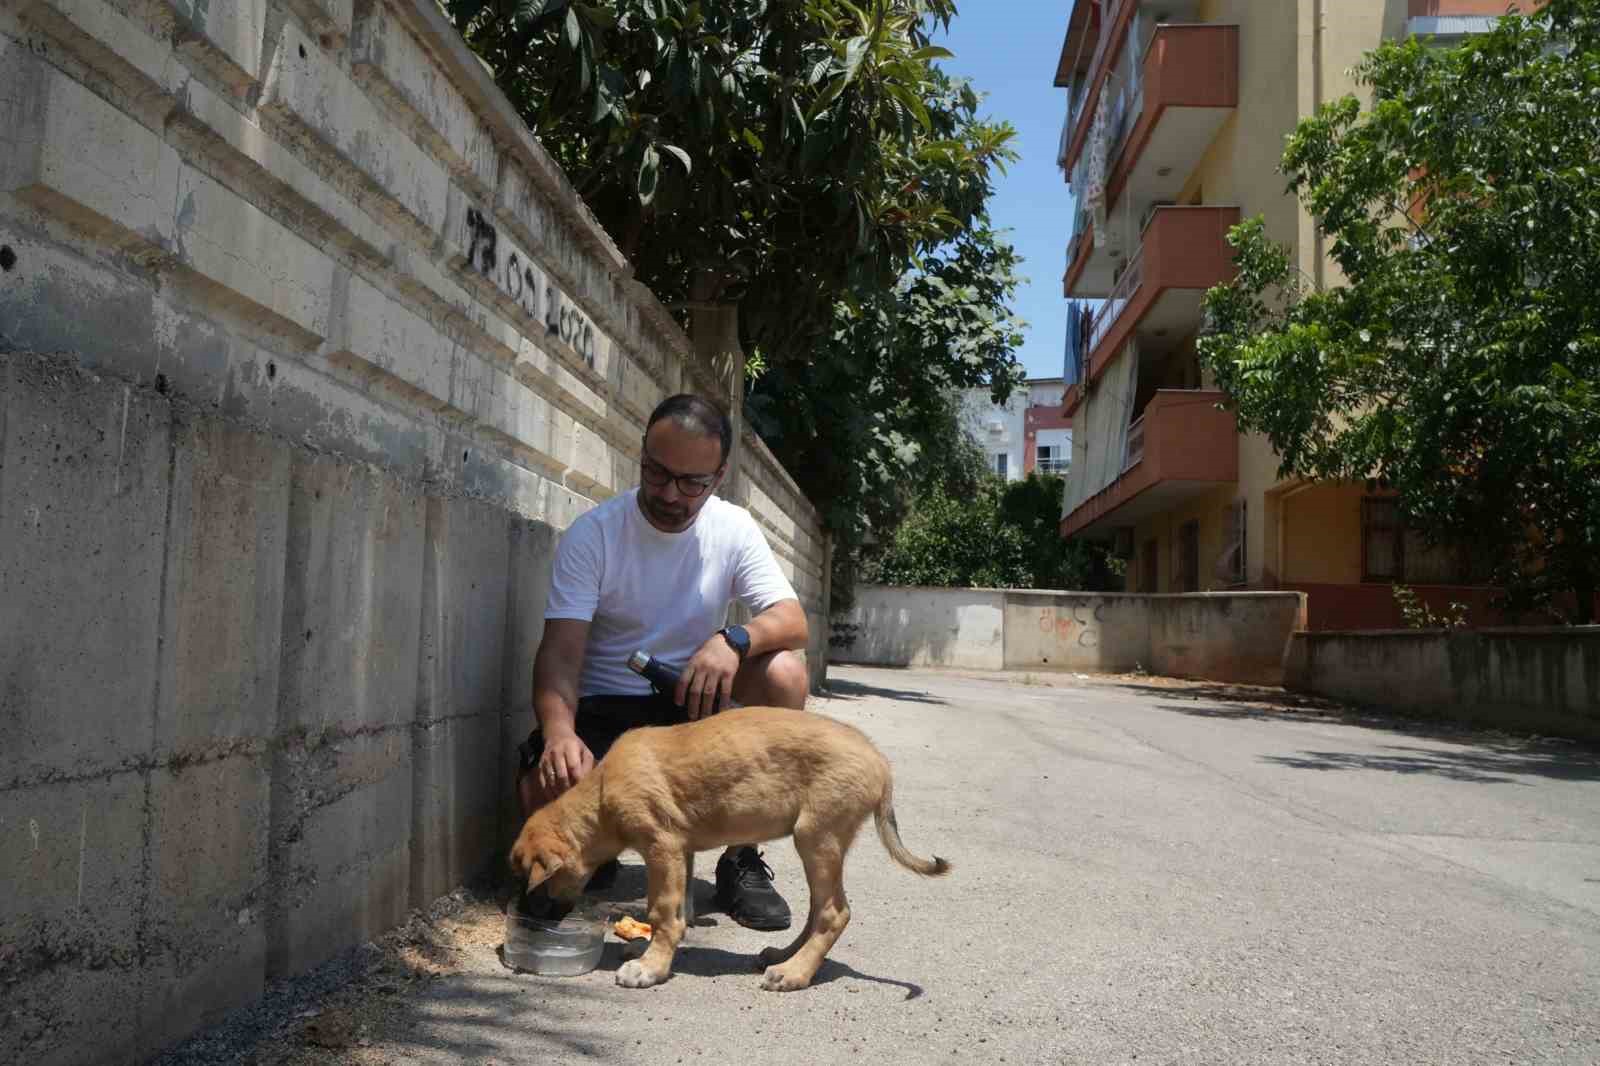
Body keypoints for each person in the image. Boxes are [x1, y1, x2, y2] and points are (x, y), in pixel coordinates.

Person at [515, 393, 811, 930]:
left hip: (691, 715)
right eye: (656, 473)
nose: (670, 494)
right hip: (608, 709)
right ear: (643, 456)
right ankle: (590, 855)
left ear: (718, 477)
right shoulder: (595, 533)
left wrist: (733, 640)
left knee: (786, 671)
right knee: (540, 786)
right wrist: (559, 733)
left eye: (691, 483)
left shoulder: (733, 528)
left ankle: (741, 857)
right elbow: (559, 652)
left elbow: (793, 620)